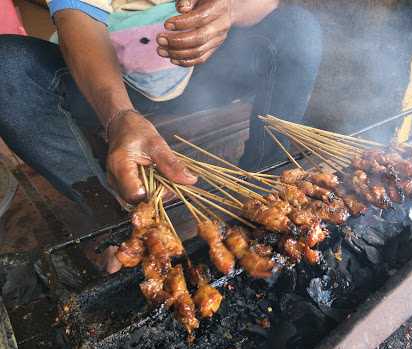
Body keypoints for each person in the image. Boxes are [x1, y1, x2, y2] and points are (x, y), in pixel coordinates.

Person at [0, 0, 322, 211]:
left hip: (205, 68)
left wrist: (229, 10)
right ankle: (111, 221)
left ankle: (268, 187)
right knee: (7, 68)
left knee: (298, 28)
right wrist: (119, 116)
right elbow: (77, 17)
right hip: (107, 80)